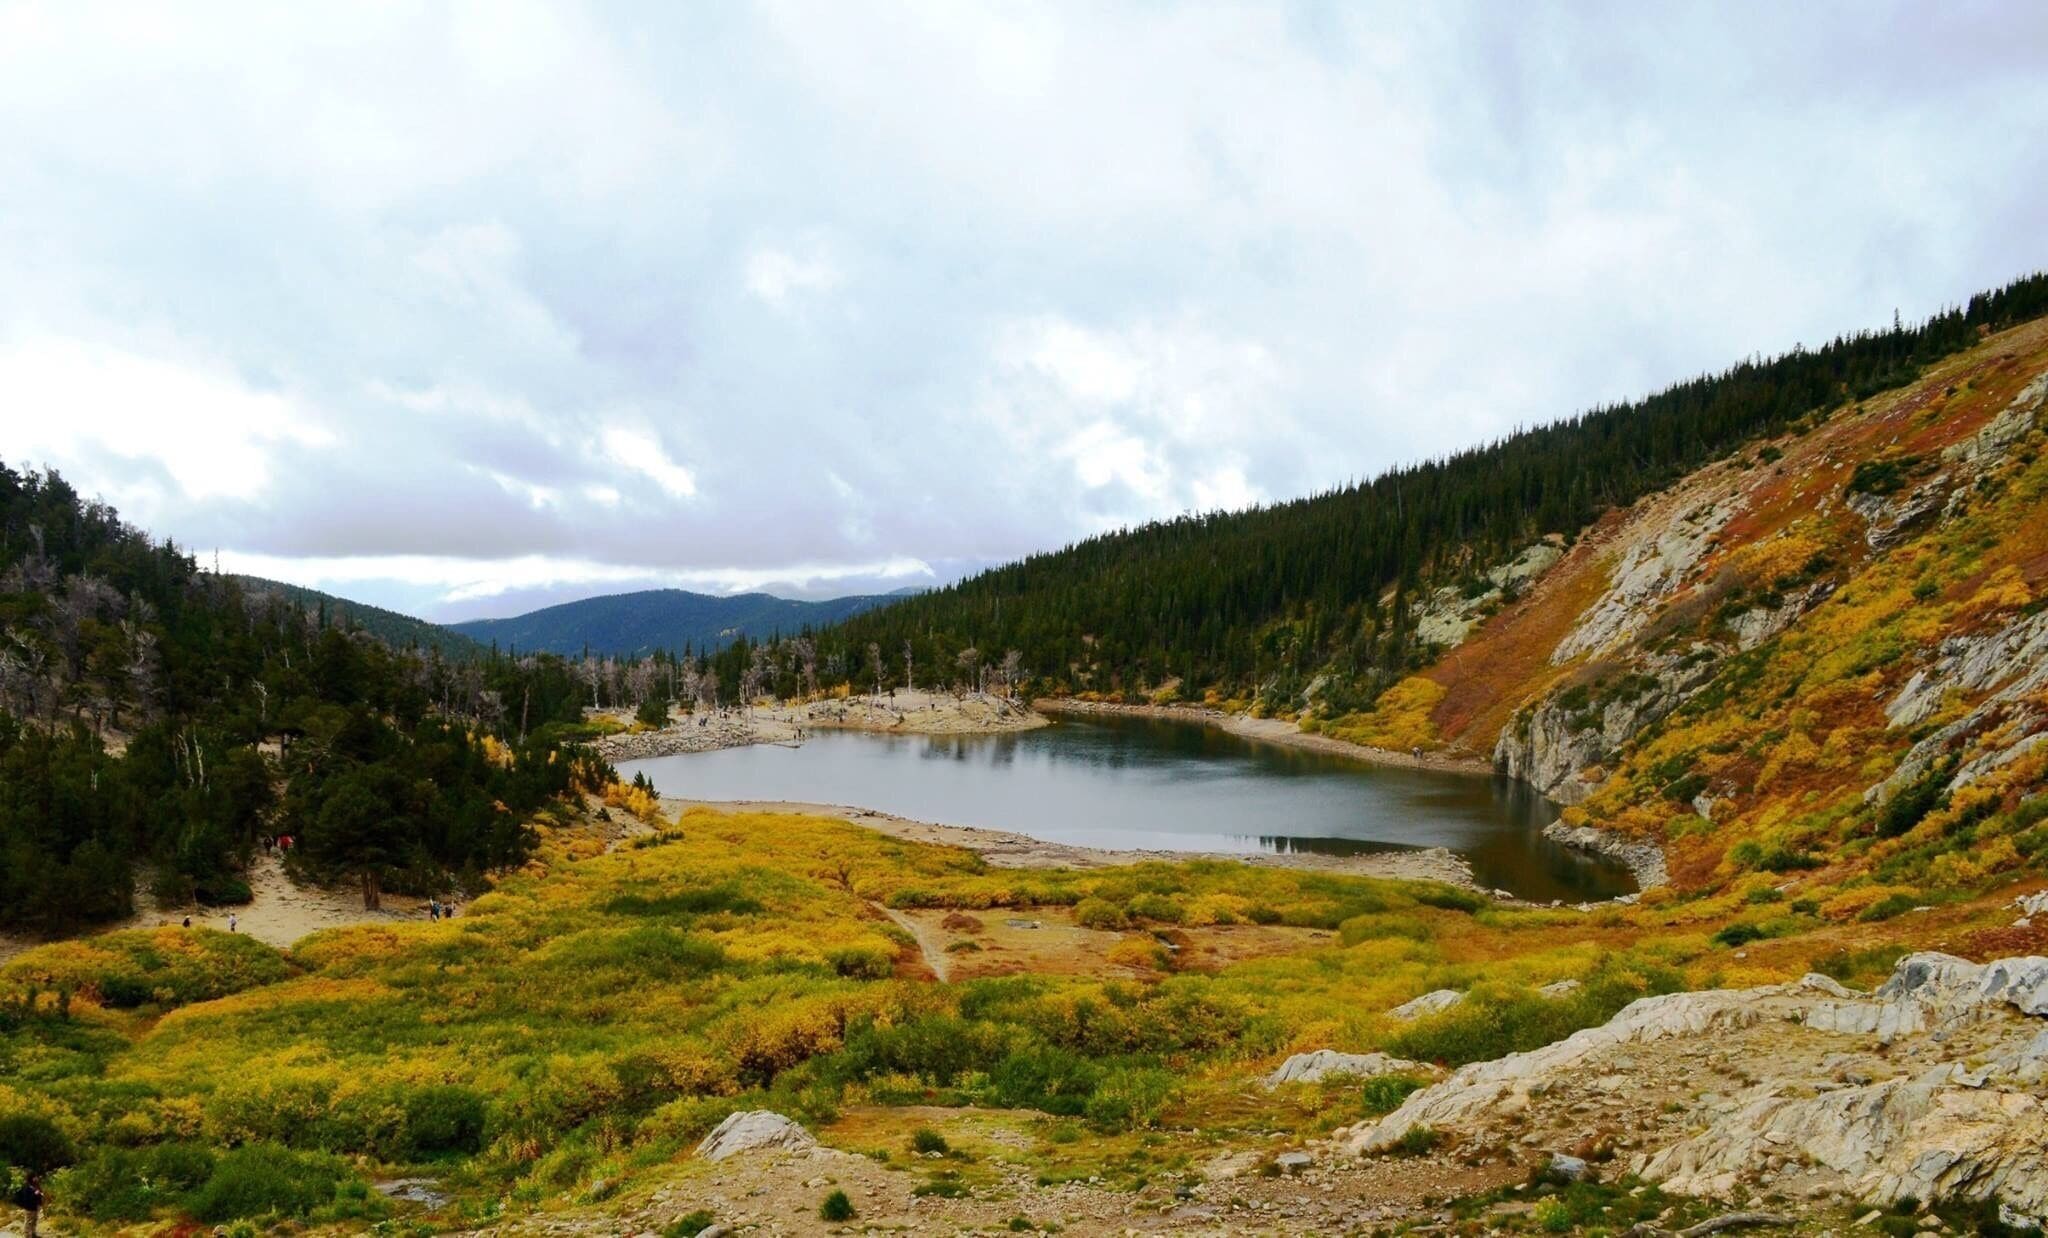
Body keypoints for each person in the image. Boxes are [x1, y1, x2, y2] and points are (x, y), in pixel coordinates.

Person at [14, 1169, 43, 1238]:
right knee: (28, 1222)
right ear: (32, 1178)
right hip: (29, 1207)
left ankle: (33, 1233)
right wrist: (35, 1194)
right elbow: (27, 1198)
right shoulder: (26, 1187)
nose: (37, 1178)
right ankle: (27, 1235)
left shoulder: (35, 1186)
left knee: (34, 1221)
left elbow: (38, 1194)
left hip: (35, 1206)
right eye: (35, 1177)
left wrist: (40, 1195)